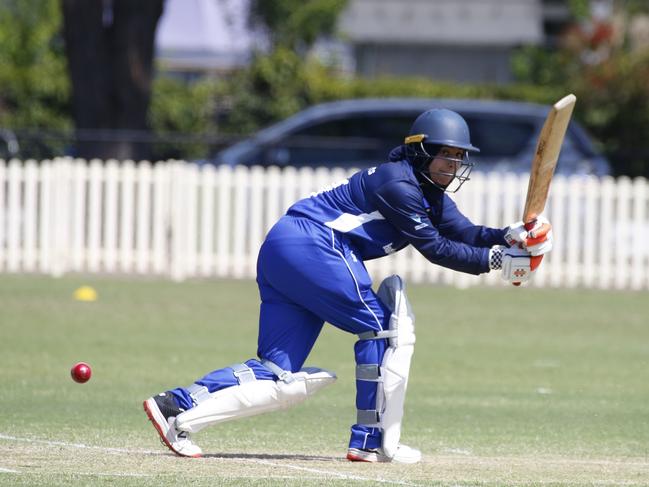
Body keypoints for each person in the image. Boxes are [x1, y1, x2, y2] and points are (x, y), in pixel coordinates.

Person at [143, 108, 553, 463]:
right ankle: (369, 442)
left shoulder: (428, 192)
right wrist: (499, 262)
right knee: (382, 326)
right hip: (315, 245)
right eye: (445, 154)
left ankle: (174, 405)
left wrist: (511, 236)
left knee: (276, 370)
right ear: (420, 150)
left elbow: (465, 232)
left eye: (459, 156)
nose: (453, 164)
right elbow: (436, 249)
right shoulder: (399, 183)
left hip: (284, 249)